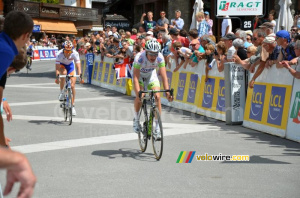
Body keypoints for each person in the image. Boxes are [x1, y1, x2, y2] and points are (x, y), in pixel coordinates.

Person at [132, 39, 173, 139]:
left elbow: (164, 76)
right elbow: (136, 78)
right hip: (140, 76)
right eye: (151, 54)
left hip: (151, 75)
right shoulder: (139, 58)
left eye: (155, 54)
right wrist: (138, 93)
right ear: (146, 51)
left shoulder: (160, 58)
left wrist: (167, 92)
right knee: (140, 96)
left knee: (157, 97)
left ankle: (157, 128)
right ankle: (136, 119)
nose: (153, 57)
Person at [55, 41, 83, 116]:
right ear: (63, 49)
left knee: (73, 85)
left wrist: (80, 74)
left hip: (70, 66)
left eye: (69, 51)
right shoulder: (59, 54)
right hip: (62, 66)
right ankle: (61, 92)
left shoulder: (75, 53)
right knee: (63, 73)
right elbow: (57, 68)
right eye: (66, 51)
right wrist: (57, 77)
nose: (67, 53)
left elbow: (78, 65)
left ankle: (72, 106)